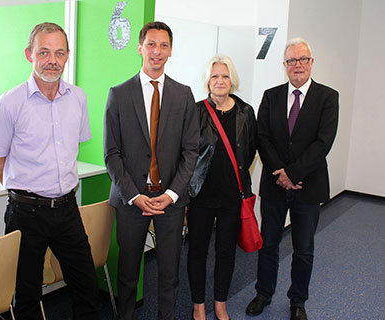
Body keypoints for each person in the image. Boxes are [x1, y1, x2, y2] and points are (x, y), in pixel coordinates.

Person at [0, 22, 99, 320]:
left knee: (86, 285)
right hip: (26, 214)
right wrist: (24, 190)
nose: (53, 60)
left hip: (67, 210)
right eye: (44, 52)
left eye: (59, 53)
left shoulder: (78, 98)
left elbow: (71, 148)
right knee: (26, 295)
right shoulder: (9, 103)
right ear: (29, 54)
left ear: (67, 55)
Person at [104, 21, 199, 320]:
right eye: (151, 44)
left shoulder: (184, 95)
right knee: (128, 273)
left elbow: (191, 151)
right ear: (140, 48)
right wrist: (133, 195)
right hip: (131, 201)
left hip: (170, 200)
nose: (157, 51)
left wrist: (172, 194)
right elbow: (111, 153)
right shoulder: (119, 94)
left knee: (169, 273)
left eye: (164, 45)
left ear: (171, 51)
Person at [245, 38, 339, 320]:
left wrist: (294, 173)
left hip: (309, 186)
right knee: (269, 244)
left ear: (311, 62)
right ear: (284, 65)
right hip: (274, 186)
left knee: (304, 249)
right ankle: (263, 293)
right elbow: (262, 137)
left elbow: (323, 142)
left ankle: (298, 301)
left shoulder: (327, 97)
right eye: (291, 61)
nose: (297, 65)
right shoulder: (271, 96)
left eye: (302, 59)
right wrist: (281, 173)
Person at [187, 55, 257, 320]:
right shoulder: (195, 111)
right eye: (215, 76)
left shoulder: (246, 112)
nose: (220, 81)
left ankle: (220, 303)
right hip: (200, 197)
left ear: (232, 81)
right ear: (208, 81)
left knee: (226, 253)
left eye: (225, 76)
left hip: (232, 198)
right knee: (197, 252)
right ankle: (198, 306)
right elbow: (188, 154)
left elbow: (249, 152)